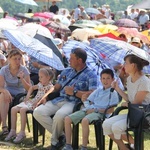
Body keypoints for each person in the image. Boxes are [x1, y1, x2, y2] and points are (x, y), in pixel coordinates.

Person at [33, 48, 99, 150]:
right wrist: (44, 97)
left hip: (74, 102)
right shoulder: (66, 71)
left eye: (71, 58)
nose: (69, 60)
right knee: (38, 112)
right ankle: (61, 136)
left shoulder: (91, 74)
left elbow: (93, 94)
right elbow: (56, 87)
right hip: (59, 99)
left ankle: (54, 143)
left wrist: (75, 93)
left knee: (59, 116)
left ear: (79, 60)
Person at [62, 69, 119, 150]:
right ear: (100, 79)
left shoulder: (113, 93)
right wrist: (84, 100)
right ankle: (68, 145)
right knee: (67, 119)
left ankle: (84, 147)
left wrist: (95, 110)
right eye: (103, 78)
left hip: (100, 113)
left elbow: (110, 110)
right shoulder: (98, 90)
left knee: (85, 120)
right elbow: (89, 101)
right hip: (89, 110)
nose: (105, 81)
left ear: (113, 80)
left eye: (108, 78)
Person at [102, 54, 150, 150]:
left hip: (143, 116)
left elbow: (137, 103)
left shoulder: (144, 81)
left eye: (126, 63)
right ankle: (128, 147)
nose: (123, 65)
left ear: (133, 65)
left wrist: (128, 104)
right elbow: (130, 99)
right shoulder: (129, 79)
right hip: (133, 113)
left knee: (116, 127)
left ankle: (133, 146)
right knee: (106, 124)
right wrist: (117, 88)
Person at [4, 68, 54, 143]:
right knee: (13, 109)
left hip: (39, 104)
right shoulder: (40, 84)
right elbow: (31, 88)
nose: (39, 79)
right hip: (33, 101)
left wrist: (36, 102)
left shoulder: (50, 87)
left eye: (41, 77)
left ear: (48, 77)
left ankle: (22, 132)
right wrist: (27, 97)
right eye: (39, 76)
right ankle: (13, 131)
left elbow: (44, 98)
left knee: (22, 110)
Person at [0, 50, 31, 136]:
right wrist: (5, 91)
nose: (17, 61)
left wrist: (22, 79)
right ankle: (4, 126)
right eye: (15, 59)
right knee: (3, 95)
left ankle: (5, 128)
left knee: (2, 98)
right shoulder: (4, 69)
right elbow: (1, 87)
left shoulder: (24, 70)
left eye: (19, 59)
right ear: (9, 59)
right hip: (8, 93)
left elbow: (29, 89)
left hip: (20, 94)